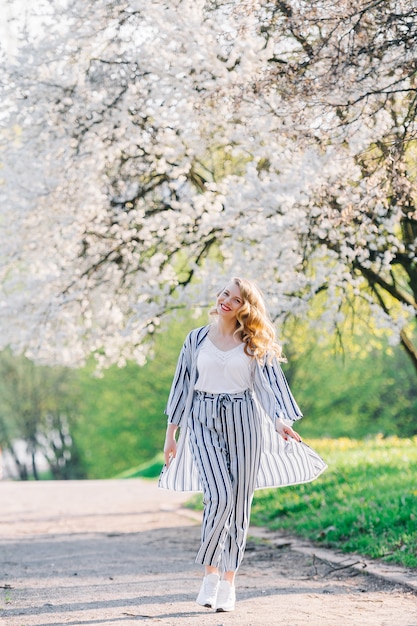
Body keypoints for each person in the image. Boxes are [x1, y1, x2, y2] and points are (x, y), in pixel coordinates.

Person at [159, 277, 327, 613]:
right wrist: (171, 434)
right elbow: (181, 387)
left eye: (234, 299)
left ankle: (229, 582)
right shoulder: (195, 339)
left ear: (244, 308)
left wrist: (281, 421)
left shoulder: (253, 342)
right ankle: (210, 575)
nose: (225, 301)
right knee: (218, 495)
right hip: (203, 418)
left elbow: (268, 389)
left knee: (239, 504)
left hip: (245, 420)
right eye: (224, 294)